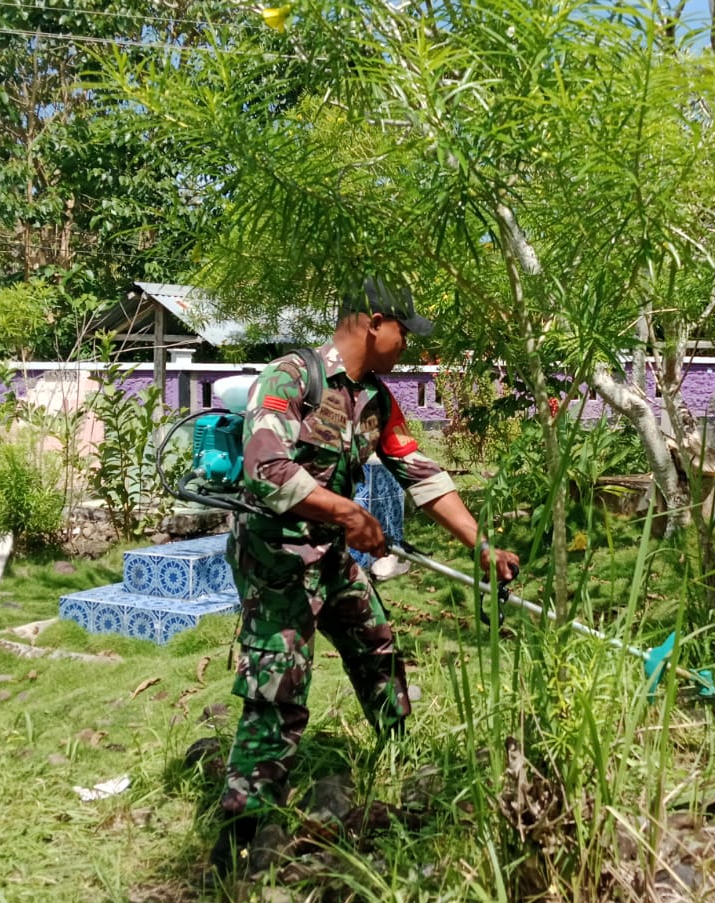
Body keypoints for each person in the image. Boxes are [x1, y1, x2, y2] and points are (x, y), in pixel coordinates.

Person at [209, 278, 518, 872]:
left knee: (376, 644)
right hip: (275, 561)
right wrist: (348, 512)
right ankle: (242, 829)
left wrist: (481, 547)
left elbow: (420, 474)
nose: (410, 347)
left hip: (327, 557)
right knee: (279, 686)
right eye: (405, 332)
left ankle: (399, 754)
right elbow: (264, 467)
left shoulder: (377, 401)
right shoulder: (292, 377)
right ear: (375, 322)